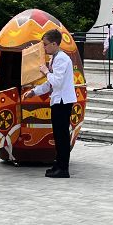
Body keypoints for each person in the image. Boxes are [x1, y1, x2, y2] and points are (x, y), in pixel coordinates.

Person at [24, 28, 78, 178]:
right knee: (58, 134)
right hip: (58, 100)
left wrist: (46, 72)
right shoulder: (55, 58)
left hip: (63, 101)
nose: (44, 47)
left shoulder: (61, 58)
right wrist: (34, 91)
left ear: (54, 44)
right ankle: (58, 164)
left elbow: (57, 81)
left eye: (46, 44)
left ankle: (63, 167)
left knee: (61, 136)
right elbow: (50, 84)